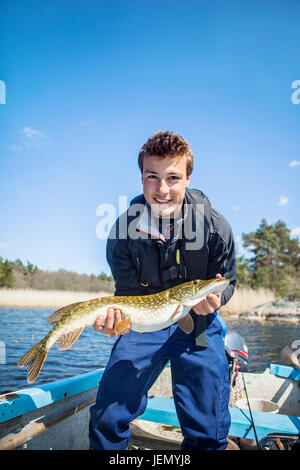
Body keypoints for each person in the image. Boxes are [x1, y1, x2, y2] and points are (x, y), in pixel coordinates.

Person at [89, 130, 236, 450]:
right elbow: (126, 293)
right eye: (152, 176)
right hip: (144, 325)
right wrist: (117, 322)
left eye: (173, 177)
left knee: (207, 425)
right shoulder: (122, 232)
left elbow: (228, 282)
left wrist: (215, 300)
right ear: (141, 177)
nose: (162, 188)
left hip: (197, 323)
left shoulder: (215, 226)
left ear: (187, 178)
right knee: (108, 414)